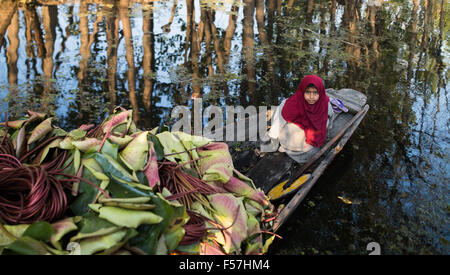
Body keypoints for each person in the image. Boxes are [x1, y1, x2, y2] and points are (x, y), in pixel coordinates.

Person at [267, 75, 335, 159]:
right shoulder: (290, 103)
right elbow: (277, 125)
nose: (311, 97)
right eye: (308, 92)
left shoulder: (325, 103)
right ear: (302, 90)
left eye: (315, 92)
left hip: (309, 145)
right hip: (297, 145)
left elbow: (330, 119)